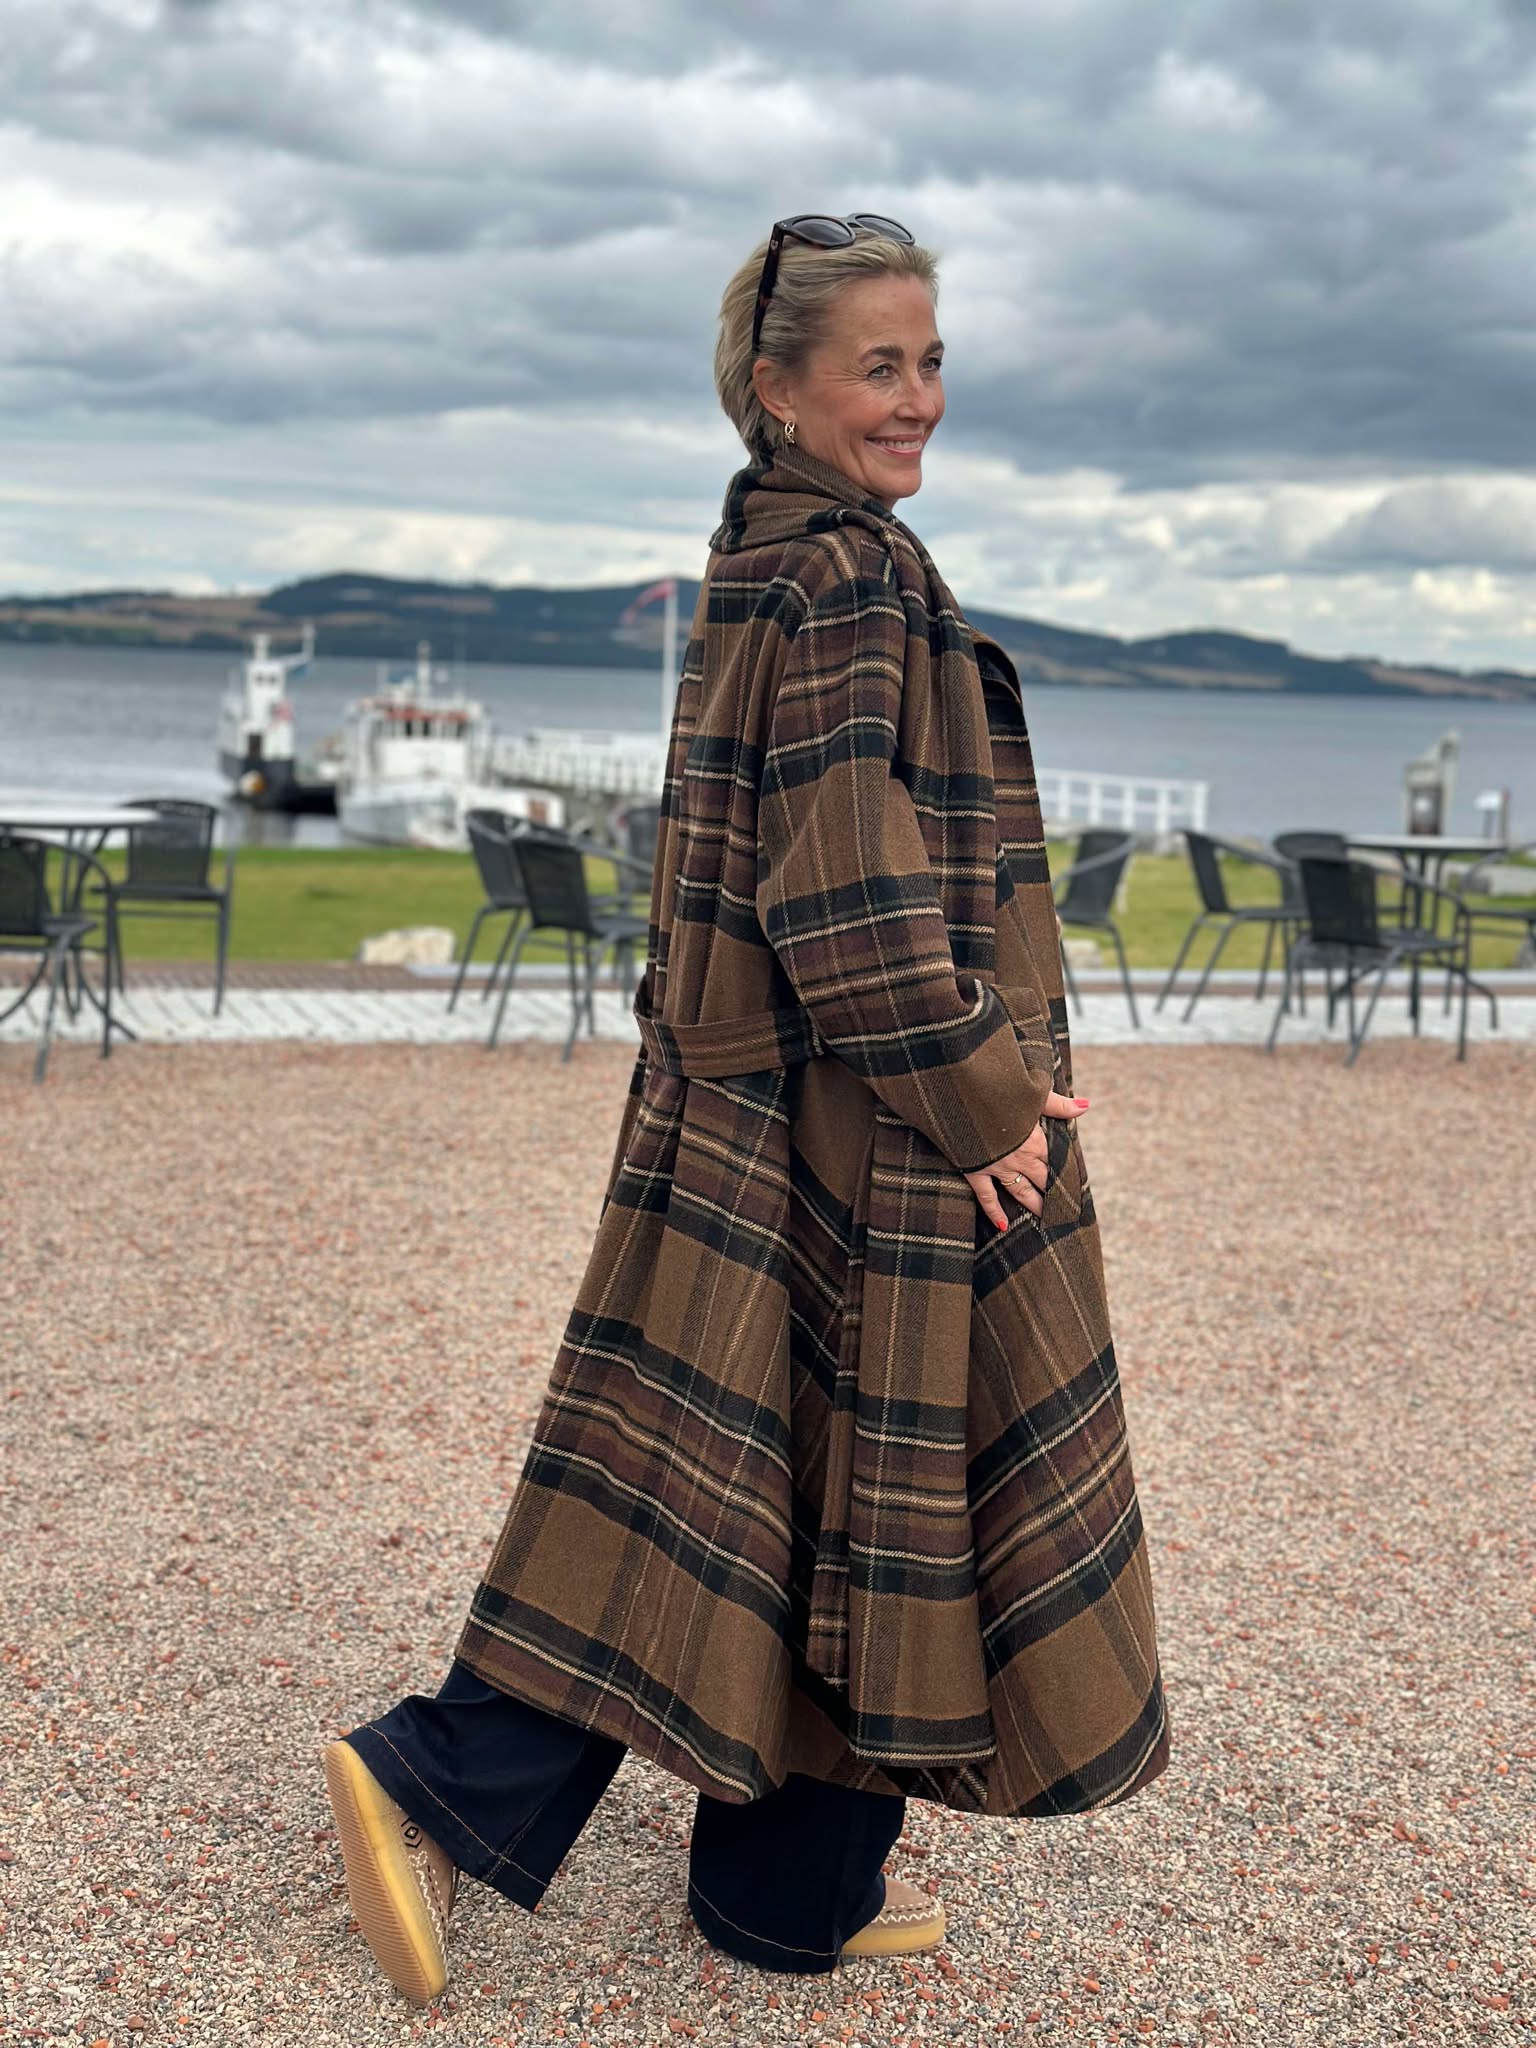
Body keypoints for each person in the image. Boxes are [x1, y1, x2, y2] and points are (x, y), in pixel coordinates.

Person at [322, 214, 1171, 2005]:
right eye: (879, 366)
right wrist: (986, 1101)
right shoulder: (848, 576)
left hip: (776, 1103)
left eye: (931, 361)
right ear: (778, 388)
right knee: (805, 1473)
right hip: (857, 1119)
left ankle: (789, 1885)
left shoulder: (773, 556)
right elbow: (845, 895)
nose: (917, 398)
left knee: (794, 1476)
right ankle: (441, 1778)